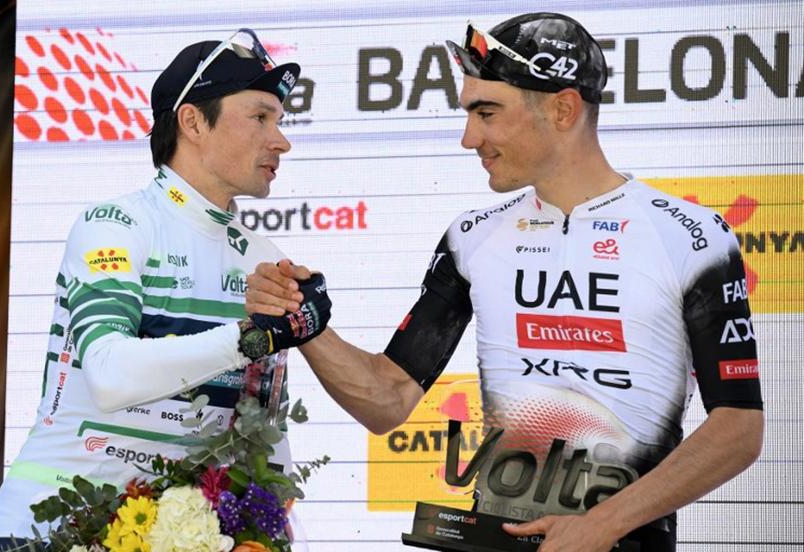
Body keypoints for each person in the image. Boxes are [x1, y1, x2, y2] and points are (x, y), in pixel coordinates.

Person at [246, 12, 764, 552]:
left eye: (487, 112)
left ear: (563, 109)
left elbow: (738, 427)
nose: (469, 138)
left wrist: (602, 524)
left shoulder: (690, 236)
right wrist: (305, 324)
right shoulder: (474, 237)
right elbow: (387, 400)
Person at [0, 28, 329, 551]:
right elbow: (110, 374)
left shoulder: (262, 259)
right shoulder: (114, 226)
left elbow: (263, 439)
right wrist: (252, 337)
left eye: (279, 121)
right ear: (192, 121)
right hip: (43, 531)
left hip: (168, 537)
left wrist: (268, 537)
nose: (281, 141)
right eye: (260, 117)